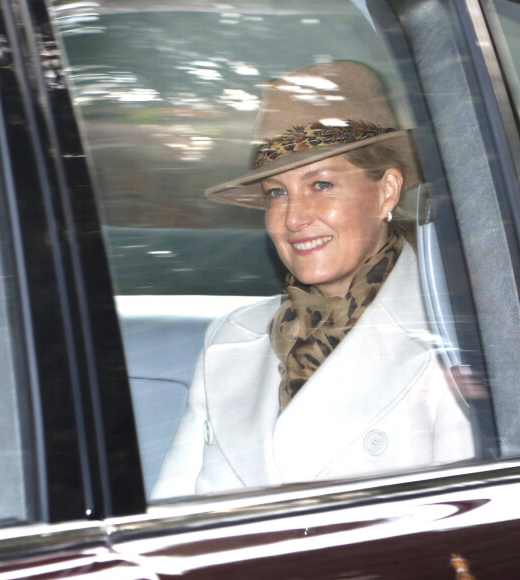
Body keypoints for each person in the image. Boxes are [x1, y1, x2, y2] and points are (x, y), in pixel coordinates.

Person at [152, 60, 475, 499]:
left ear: (387, 190)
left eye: (321, 184)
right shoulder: (229, 338)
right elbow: (171, 518)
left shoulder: (454, 335)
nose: (294, 218)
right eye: (276, 193)